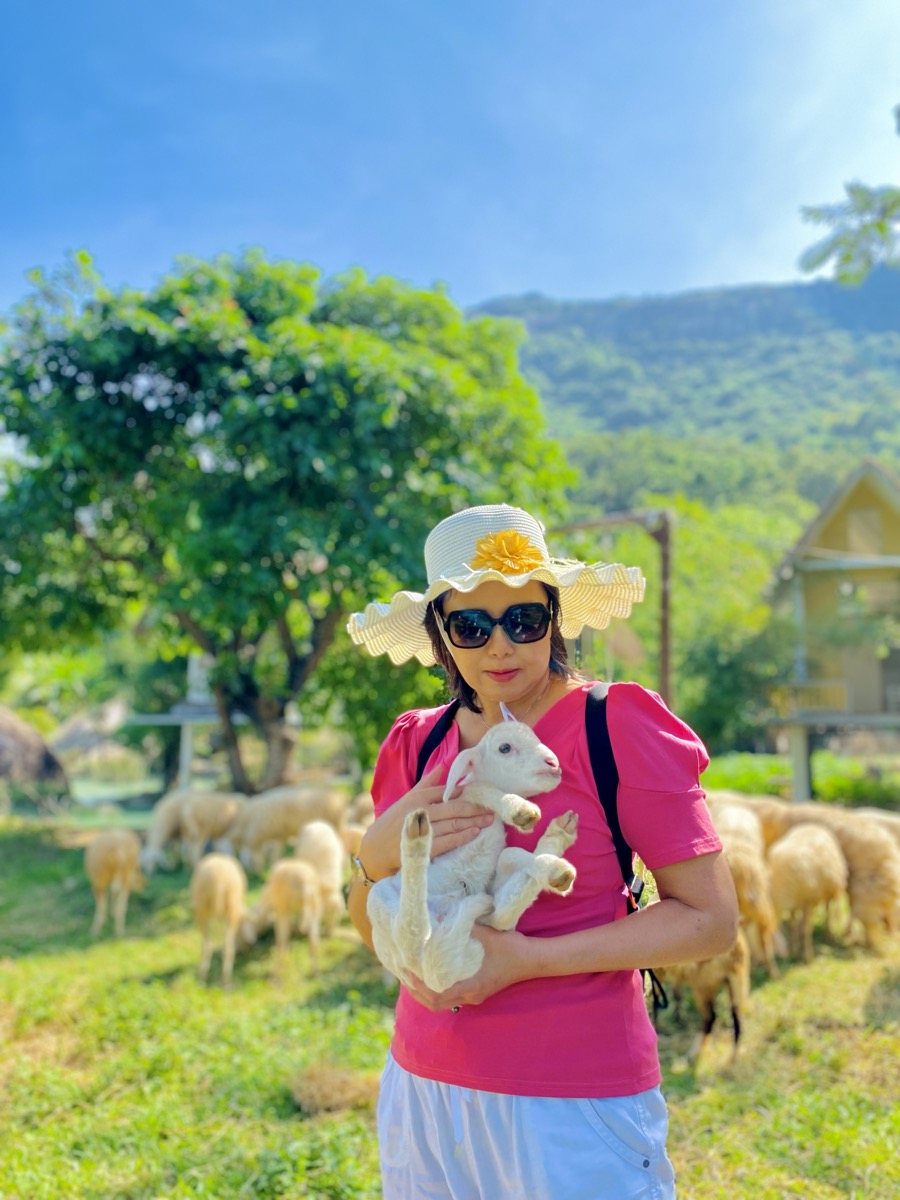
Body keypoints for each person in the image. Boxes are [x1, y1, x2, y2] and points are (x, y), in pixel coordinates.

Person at [346, 503, 738, 1200]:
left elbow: (710, 921)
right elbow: (369, 919)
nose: (500, 648)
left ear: (554, 617)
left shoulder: (616, 725)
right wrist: (371, 854)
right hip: (423, 1089)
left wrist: (527, 962)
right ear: (440, 636)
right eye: (470, 626)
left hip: (571, 1099)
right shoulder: (419, 743)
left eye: (523, 620)